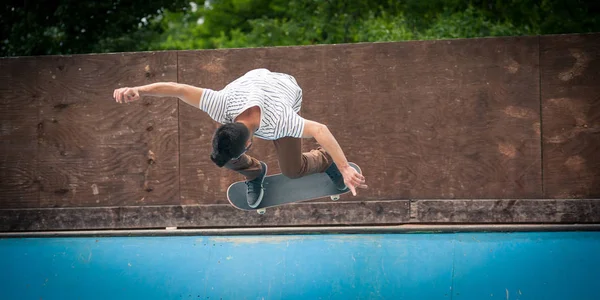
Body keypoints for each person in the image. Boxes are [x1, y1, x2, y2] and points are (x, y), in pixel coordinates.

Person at [113, 68, 367, 208]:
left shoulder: (282, 120)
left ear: (248, 144)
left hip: (284, 89)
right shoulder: (221, 103)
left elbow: (320, 130)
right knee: (222, 155)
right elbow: (178, 90)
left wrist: (344, 167)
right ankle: (256, 173)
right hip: (248, 85)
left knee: (293, 170)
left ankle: (324, 161)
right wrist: (139, 89)